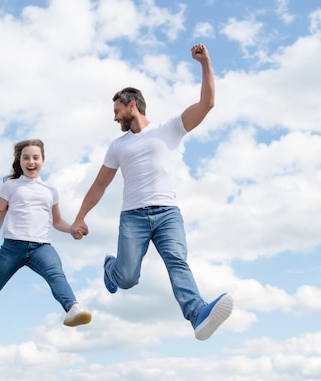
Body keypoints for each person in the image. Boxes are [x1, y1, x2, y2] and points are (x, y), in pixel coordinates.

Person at [71, 44, 233, 341]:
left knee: (177, 262)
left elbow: (207, 103)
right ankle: (111, 268)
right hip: (133, 217)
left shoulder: (170, 128)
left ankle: (197, 314)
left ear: (132, 105)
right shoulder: (118, 147)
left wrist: (205, 63)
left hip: (167, 213)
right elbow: (99, 185)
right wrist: (79, 217)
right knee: (128, 278)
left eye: (117, 111)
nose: (115, 118)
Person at [0, 139, 91, 337]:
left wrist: (71, 229)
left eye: (35, 157)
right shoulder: (10, 186)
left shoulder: (50, 190)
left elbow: (57, 221)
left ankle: (73, 308)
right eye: (26, 158)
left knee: (56, 275)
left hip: (41, 247)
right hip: (12, 248)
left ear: (43, 160)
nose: (31, 162)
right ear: (20, 162)